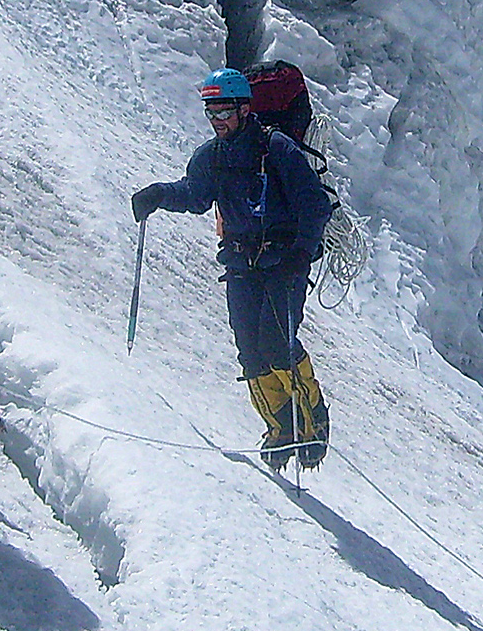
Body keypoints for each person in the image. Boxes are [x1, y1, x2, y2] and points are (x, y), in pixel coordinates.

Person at [131, 68, 333, 467]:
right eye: (212, 114)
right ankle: (281, 430)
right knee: (251, 351)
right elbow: (195, 194)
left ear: (244, 108)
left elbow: (315, 204)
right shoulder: (213, 156)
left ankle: (312, 427)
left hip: (283, 263)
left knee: (278, 344)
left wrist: (302, 252)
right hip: (242, 263)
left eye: (224, 112)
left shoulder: (277, 149)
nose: (218, 121)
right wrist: (158, 195)